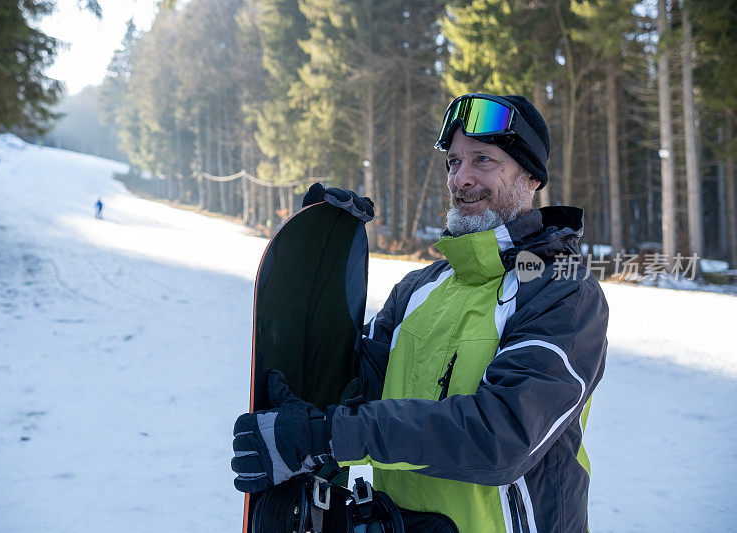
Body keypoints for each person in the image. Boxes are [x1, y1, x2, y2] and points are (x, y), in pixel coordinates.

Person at [232, 93, 609, 532]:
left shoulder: (561, 289)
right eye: (453, 162)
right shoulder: (420, 287)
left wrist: (330, 436)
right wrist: (322, 258)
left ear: (530, 177)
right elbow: (354, 386)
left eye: (483, 160)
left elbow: (503, 434)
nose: (461, 179)